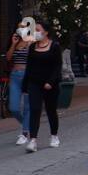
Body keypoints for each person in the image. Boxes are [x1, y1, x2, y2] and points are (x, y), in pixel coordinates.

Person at [22, 19, 63, 153]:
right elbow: (29, 67)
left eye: (38, 30)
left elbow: (57, 66)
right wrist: (25, 85)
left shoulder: (55, 46)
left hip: (50, 84)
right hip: (35, 83)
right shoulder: (33, 47)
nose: (35, 33)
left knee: (51, 110)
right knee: (35, 110)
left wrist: (50, 82)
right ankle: (33, 140)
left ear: (46, 32)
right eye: (35, 30)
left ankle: (54, 136)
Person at [5, 20, 33, 143]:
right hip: (15, 76)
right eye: (18, 27)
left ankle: (24, 132)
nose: (20, 29)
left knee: (27, 107)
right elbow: (8, 57)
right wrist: (13, 44)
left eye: (22, 27)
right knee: (14, 107)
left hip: (28, 75)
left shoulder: (31, 42)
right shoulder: (15, 42)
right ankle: (26, 124)